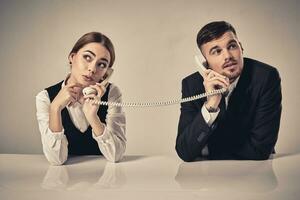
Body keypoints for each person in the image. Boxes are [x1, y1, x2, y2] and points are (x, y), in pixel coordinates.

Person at [176, 21, 282, 161]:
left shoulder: (266, 77)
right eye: (216, 51)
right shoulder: (192, 85)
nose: (227, 56)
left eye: (232, 46)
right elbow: (184, 151)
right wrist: (211, 104)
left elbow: (259, 150)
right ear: (205, 63)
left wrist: (208, 148)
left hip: (255, 173)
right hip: (207, 177)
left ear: (241, 47)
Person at [36, 32, 126, 165]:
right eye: (87, 57)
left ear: (106, 73)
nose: (92, 69)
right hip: (63, 181)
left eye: (101, 64)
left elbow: (116, 156)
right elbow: (56, 160)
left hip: (105, 178)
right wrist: (55, 108)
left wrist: (93, 117)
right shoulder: (45, 97)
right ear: (72, 57)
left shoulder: (111, 93)